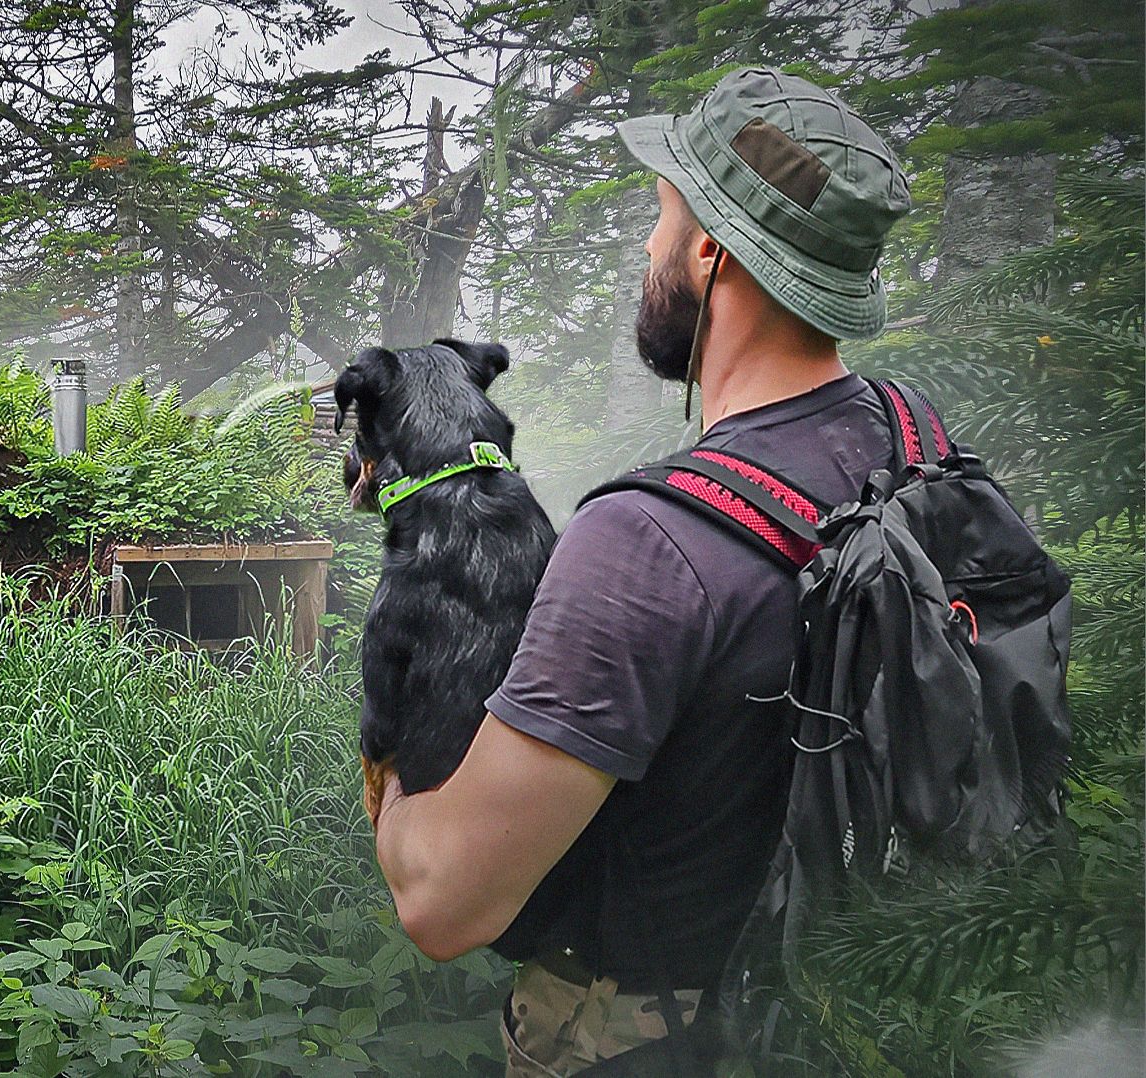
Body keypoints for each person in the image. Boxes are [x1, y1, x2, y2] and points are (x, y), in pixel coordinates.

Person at [366, 67, 914, 1075]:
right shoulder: (913, 447)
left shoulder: (648, 543)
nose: (647, 249)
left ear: (708, 251)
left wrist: (393, 774)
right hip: (841, 1012)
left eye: (660, 220)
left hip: (642, 1036)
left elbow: (443, 903)